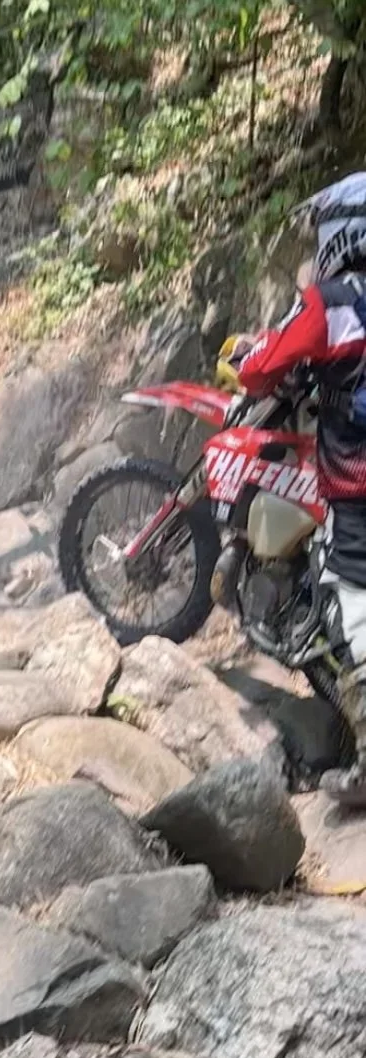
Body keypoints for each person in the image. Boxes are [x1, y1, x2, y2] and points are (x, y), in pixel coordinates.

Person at [233, 172, 366, 806]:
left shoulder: (335, 300)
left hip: (357, 480)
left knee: (351, 602)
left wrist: (249, 359)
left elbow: (264, 367)